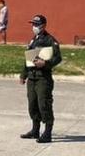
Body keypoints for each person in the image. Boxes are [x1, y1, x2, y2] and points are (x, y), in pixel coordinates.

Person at [19, 14, 62, 144]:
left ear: (43, 26)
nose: (34, 27)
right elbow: (28, 58)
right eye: (33, 24)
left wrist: (45, 64)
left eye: (36, 25)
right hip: (32, 77)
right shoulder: (33, 40)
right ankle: (35, 130)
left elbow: (58, 58)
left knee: (44, 104)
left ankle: (47, 132)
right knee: (33, 105)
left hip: (43, 78)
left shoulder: (50, 40)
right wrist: (23, 74)